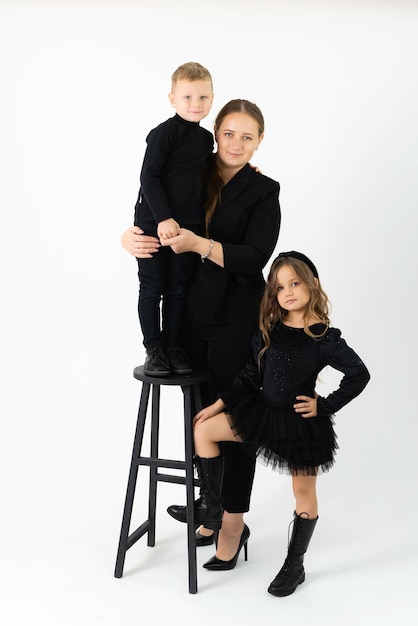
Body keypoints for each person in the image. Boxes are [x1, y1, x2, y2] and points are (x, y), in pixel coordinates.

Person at [121, 99, 281, 567]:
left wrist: (198, 244)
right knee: (197, 419)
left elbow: (255, 258)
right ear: (216, 133)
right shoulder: (194, 168)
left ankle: (233, 522)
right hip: (187, 316)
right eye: (228, 133)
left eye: (246, 136)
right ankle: (209, 511)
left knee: (232, 423)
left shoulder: (264, 190)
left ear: (259, 141)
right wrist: (129, 236)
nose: (235, 143)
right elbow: (149, 197)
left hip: (236, 320)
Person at [168, 251, 370, 595]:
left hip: (299, 426)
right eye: (279, 287)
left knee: (303, 492)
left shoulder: (325, 338)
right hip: (262, 413)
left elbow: (359, 375)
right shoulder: (270, 329)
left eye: (295, 283)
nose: (287, 292)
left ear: (313, 284)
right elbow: (250, 375)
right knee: (203, 429)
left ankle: (295, 564)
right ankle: (213, 509)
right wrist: (218, 404)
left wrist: (324, 406)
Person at [134, 61, 214, 376]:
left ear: (212, 98)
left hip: (187, 229)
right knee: (152, 287)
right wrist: (163, 218)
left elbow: (205, 173)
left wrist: (248, 172)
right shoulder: (163, 134)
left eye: (203, 98)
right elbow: (148, 177)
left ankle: (175, 346)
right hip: (155, 225)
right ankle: (154, 349)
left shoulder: (205, 139)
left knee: (179, 287)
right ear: (172, 99)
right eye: (187, 97)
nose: (195, 104)